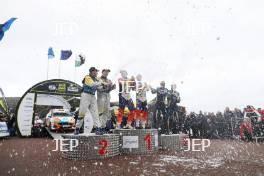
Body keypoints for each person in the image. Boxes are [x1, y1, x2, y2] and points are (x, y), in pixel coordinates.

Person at [75, 67, 103, 135]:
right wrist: (101, 82)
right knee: (82, 112)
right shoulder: (87, 77)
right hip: (86, 95)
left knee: (95, 112)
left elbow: (100, 88)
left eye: (97, 72)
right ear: (91, 72)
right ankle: (77, 128)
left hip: (92, 96)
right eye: (95, 72)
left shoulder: (96, 79)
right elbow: (92, 84)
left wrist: (108, 87)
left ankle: (98, 129)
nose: (96, 73)